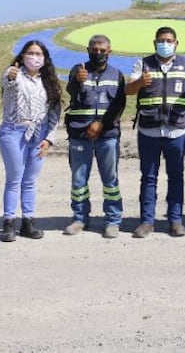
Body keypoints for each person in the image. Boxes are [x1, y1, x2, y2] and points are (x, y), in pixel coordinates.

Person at [125, 26, 185, 238]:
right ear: (154, 43)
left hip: (177, 131)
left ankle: (175, 220)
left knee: (176, 176)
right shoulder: (143, 63)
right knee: (148, 177)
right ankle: (147, 222)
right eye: (161, 40)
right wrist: (140, 82)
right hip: (149, 131)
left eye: (169, 40)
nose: (165, 44)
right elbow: (128, 90)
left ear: (177, 43)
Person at [63, 35, 126, 239]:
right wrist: (77, 81)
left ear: (110, 51)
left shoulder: (116, 74)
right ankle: (80, 218)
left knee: (110, 180)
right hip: (79, 134)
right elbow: (72, 93)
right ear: (88, 49)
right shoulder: (78, 69)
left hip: (107, 135)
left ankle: (112, 220)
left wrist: (101, 124)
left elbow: (119, 105)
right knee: (79, 179)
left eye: (102, 50)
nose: (98, 53)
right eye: (94, 49)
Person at [0, 40, 62, 242]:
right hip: (14, 132)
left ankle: (28, 221)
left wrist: (49, 139)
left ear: (45, 58)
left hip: (38, 135)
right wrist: (10, 76)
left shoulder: (49, 81)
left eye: (39, 54)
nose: (34, 57)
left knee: (30, 180)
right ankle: (9, 222)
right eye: (30, 53)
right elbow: (6, 82)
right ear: (22, 56)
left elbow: (54, 114)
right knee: (14, 178)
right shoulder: (14, 74)